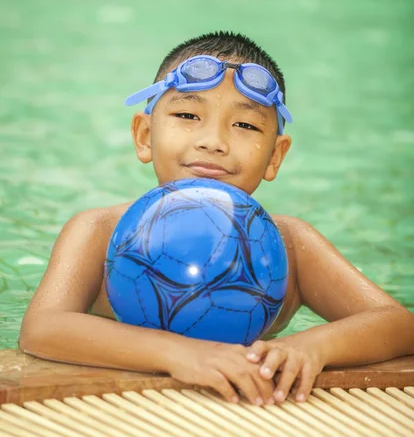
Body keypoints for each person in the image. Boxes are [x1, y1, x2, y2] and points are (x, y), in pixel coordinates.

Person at [20, 31, 414, 407]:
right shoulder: (98, 231)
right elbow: (43, 329)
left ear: (275, 156)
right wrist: (182, 355)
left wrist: (311, 347)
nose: (213, 141)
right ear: (143, 135)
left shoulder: (291, 243)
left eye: (245, 124)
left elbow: (397, 324)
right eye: (188, 114)